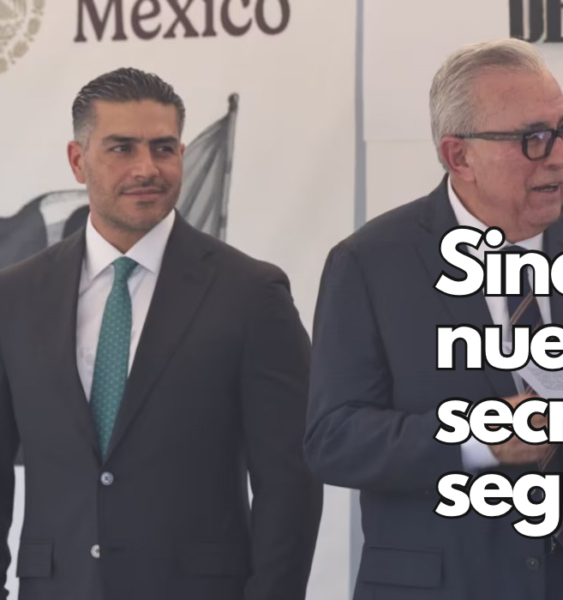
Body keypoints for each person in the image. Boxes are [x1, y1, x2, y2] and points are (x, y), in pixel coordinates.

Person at [304, 39, 563, 600]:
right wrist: (481, 438)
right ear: (459, 157)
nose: (561, 157)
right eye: (533, 139)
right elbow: (334, 438)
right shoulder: (371, 262)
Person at [0, 67, 323, 600]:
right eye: (122, 148)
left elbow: (290, 480)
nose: (147, 168)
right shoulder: (14, 297)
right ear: (78, 161)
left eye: (164, 148)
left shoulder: (251, 293)